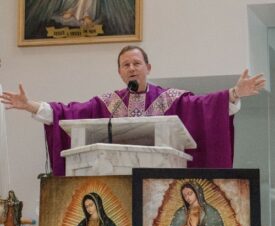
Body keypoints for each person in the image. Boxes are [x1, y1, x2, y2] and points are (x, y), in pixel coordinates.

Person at [0, 45, 266, 175]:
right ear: (119, 72)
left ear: (148, 68)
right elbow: (66, 113)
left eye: (136, 63)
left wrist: (234, 94)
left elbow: (206, 108)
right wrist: (30, 105)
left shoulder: (172, 100)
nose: (131, 68)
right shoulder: (106, 104)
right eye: (125, 65)